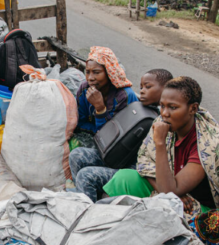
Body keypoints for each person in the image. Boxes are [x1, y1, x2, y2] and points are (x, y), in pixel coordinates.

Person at [102, 76, 219, 218]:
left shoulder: (206, 143)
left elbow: (170, 192)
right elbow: (144, 162)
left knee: (169, 208)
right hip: (168, 188)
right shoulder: (162, 122)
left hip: (198, 208)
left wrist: (160, 143)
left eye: (173, 107)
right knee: (123, 178)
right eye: (162, 106)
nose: (164, 113)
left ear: (193, 108)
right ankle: (102, 220)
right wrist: (173, 193)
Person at [69, 69, 173, 202]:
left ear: (166, 89)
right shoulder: (138, 107)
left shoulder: (165, 119)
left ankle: (88, 211)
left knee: (86, 175)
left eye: (148, 87)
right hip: (122, 156)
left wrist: (101, 110)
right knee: (77, 155)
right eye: (141, 87)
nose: (141, 91)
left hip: (138, 169)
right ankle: (84, 195)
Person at [74, 46, 139, 135]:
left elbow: (114, 134)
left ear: (109, 73)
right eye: (88, 72)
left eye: (96, 72)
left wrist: (100, 108)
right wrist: (96, 131)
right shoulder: (85, 89)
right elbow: (79, 122)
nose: (90, 78)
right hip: (92, 135)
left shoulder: (124, 96)